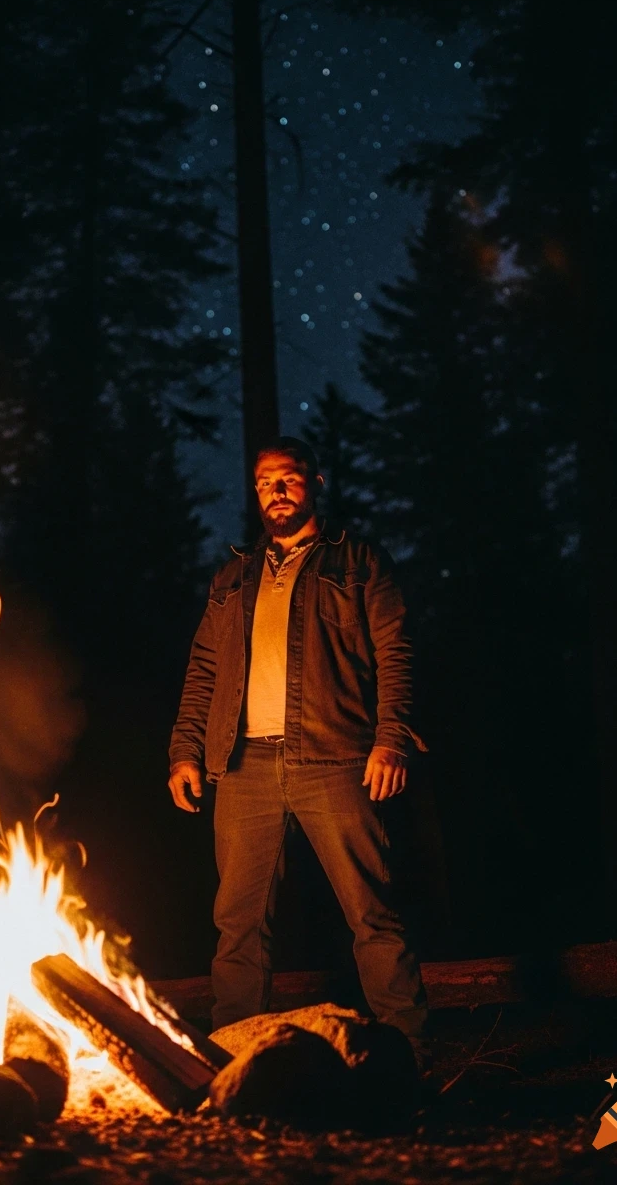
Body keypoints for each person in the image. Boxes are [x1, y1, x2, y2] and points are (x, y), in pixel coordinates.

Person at [168, 436, 429, 1055]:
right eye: (264, 482)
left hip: (336, 759)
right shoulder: (234, 576)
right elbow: (203, 668)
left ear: (314, 483)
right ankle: (232, 1059)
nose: (276, 491)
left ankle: (409, 1057)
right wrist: (185, 750)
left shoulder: (358, 560)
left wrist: (391, 739)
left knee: (372, 917)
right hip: (242, 766)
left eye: (288, 478)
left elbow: (397, 652)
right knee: (238, 926)